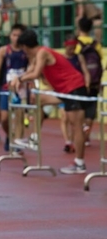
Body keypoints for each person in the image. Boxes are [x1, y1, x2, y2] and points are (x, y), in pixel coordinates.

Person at [10, 29, 89, 174]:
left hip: (74, 88)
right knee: (38, 100)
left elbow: (35, 73)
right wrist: (18, 79)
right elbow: (31, 70)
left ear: (25, 47)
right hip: (63, 90)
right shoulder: (37, 55)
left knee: (75, 126)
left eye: (22, 48)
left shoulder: (42, 53)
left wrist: (19, 79)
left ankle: (80, 163)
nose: (23, 52)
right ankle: (34, 137)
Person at [0, 23, 28, 151]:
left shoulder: (26, 50)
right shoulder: (3, 50)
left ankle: (18, 142)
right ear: (10, 36)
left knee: (19, 117)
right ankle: (9, 135)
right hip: (6, 88)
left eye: (19, 35)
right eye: (14, 35)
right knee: (4, 118)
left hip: (21, 88)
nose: (16, 38)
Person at [75, 16, 103, 146]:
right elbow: (101, 62)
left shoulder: (76, 44)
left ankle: (80, 135)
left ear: (79, 27)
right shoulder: (96, 44)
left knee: (79, 109)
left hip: (79, 82)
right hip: (94, 82)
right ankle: (86, 136)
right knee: (91, 110)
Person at [62, 36, 91, 153]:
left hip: (76, 91)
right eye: (70, 48)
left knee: (74, 119)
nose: (72, 50)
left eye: (74, 48)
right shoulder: (61, 59)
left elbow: (85, 72)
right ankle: (67, 141)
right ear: (65, 46)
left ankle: (72, 141)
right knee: (65, 118)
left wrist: (87, 84)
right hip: (64, 91)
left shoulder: (79, 57)